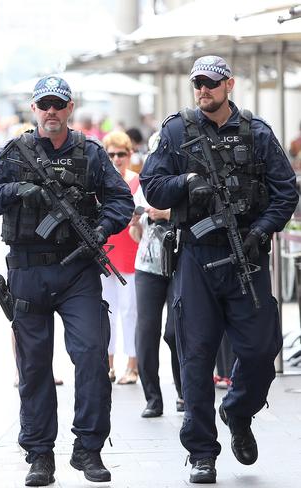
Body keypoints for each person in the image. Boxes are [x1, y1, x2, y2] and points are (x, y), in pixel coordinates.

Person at [141, 55, 298, 484]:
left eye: (211, 83)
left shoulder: (257, 133)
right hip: (196, 257)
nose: (203, 90)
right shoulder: (176, 131)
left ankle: (238, 411)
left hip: (247, 255)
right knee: (196, 357)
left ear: (229, 84)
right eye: (197, 83)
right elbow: (151, 184)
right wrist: (187, 183)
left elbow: (286, 192)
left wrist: (261, 231)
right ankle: (202, 453)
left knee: (262, 350)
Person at [0, 75, 134, 486]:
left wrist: (101, 230)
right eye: (44, 104)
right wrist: (18, 191)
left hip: (78, 269)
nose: (51, 112)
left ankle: (89, 448)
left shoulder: (91, 153)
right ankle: (40, 455)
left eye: (58, 104)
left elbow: (120, 201)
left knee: (94, 357)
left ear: (70, 108)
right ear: (34, 108)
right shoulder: (15, 152)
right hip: (27, 270)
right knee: (34, 367)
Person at [129, 195, 183, 418]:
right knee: (146, 333)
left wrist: (166, 214)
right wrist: (134, 222)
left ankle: (184, 393)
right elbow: (136, 235)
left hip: (179, 267)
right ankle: (153, 399)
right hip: (147, 268)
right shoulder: (143, 190)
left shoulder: (182, 183)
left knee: (175, 332)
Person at [101, 131, 140, 386]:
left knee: (130, 312)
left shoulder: (138, 182)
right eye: (111, 154)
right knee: (107, 311)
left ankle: (133, 366)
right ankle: (108, 365)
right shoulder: (99, 183)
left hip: (130, 254)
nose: (116, 159)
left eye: (121, 154)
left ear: (129, 155)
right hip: (105, 254)